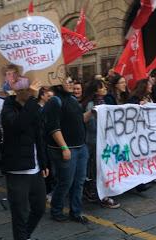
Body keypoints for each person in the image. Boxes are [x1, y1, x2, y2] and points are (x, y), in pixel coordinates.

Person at [1, 78, 49, 240]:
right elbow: (17, 126)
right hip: (17, 170)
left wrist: (43, 162)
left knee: (39, 208)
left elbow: (39, 136)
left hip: (35, 168)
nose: (31, 93)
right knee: (20, 213)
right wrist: (33, 102)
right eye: (28, 90)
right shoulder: (8, 107)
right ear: (18, 91)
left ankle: (24, 236)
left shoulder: (32, 107)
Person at [43, 77, 91, 224]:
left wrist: (92, 112)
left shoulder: (73, 100)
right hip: (66, 149)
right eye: (67, 81)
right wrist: (64, 147)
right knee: (66, 182)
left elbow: (79, 120)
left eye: (72, 81)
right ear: (58, 83)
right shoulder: (55, 101)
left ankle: (76, 212)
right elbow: (53, 127)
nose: (70, 84)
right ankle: (56, 210)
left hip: (80, 148)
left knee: (79, 182)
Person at [81, 79, 121, 208]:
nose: (105, 89)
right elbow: (91, 125)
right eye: (102, 87)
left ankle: (96, 193)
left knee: (99, 169)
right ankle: (98, 194)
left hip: (102, 143)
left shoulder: (103, 102)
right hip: (93, 143)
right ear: (96, 90)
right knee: (96, 169)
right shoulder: (91, 105)